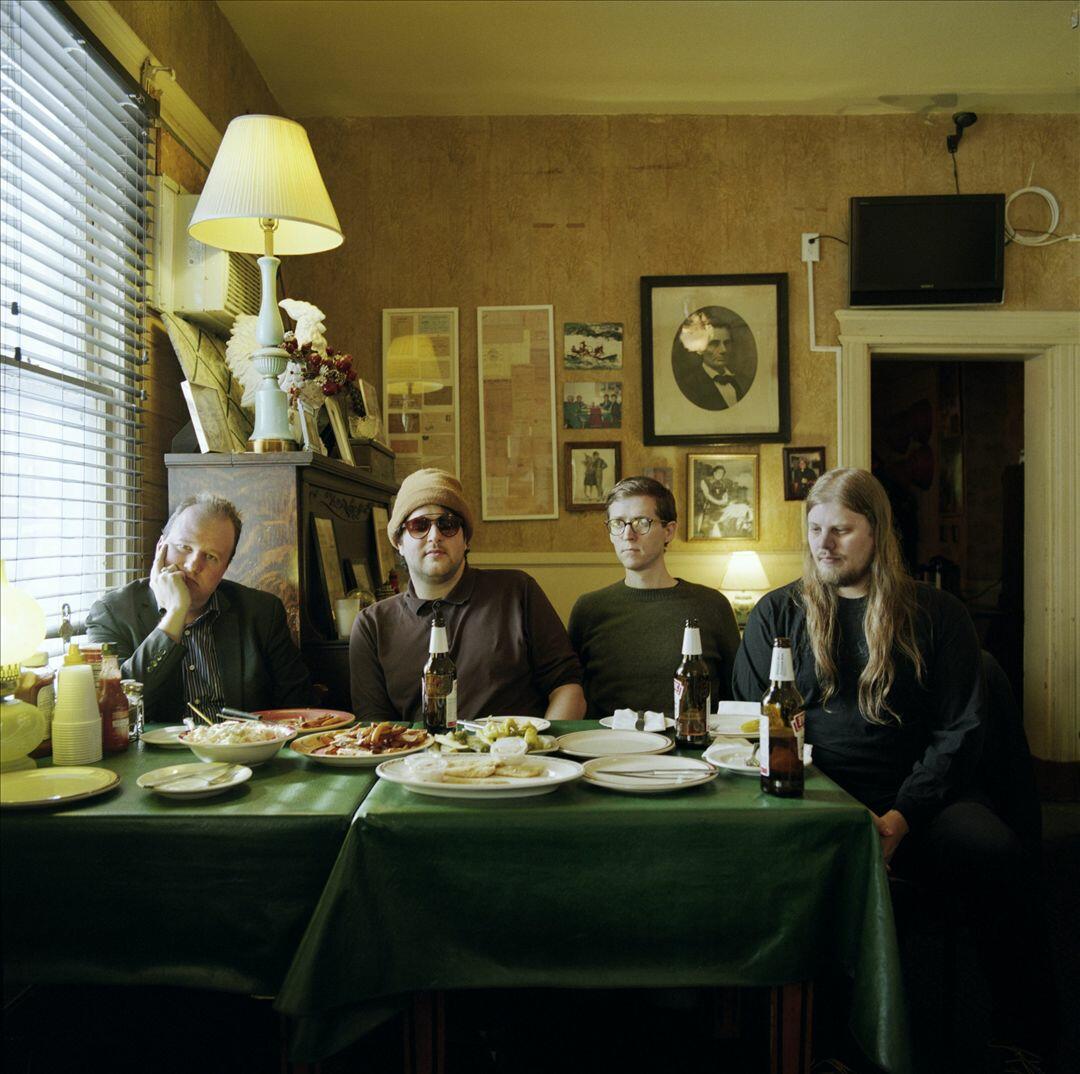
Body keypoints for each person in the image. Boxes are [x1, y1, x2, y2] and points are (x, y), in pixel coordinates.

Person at [732, 467, 1055, 1066]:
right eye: (816, 529)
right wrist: (833, 808)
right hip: (815, 793)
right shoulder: (777, 613)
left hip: (924, 799)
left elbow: (962, 731)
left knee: (994, 852)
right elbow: (756, 726)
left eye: (842, 530)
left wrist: (903, 815)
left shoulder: (937, 613)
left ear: (877, 532)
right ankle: (811, 1042)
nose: (825, 544)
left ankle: (1020, 1034)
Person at [349, 469, 585, 722]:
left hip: (517, 746)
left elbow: (568, 688)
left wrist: (541, 743)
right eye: (419, 526)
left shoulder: (518, 591)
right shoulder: (372, 625)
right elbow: (374, 724)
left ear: (466, 539)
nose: (434, 536)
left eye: (447, 525)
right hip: (420, 748)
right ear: (399, 543)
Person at [86, 494, 312, 722]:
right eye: (184, 547)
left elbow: (300, 707)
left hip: (245, 743)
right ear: (160, 548)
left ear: (225, 569)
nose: (193, 565)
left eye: (211, 557)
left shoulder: (262, 612)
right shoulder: (112, 614)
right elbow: (116, 710)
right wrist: (175, 614)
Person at [569, 476, 740, 717]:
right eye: (618, 523)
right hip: (608, 739)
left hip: (690, 738)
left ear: (669, 531)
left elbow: (737, 697)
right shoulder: (589, 609)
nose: (628, 534)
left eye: (641, 523)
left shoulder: (712, 605)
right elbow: (571, 694)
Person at [673, 317, 754, 411]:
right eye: (714, 343)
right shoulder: (689, 385)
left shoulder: (741, 380)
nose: (723, 350)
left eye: (727, 343)